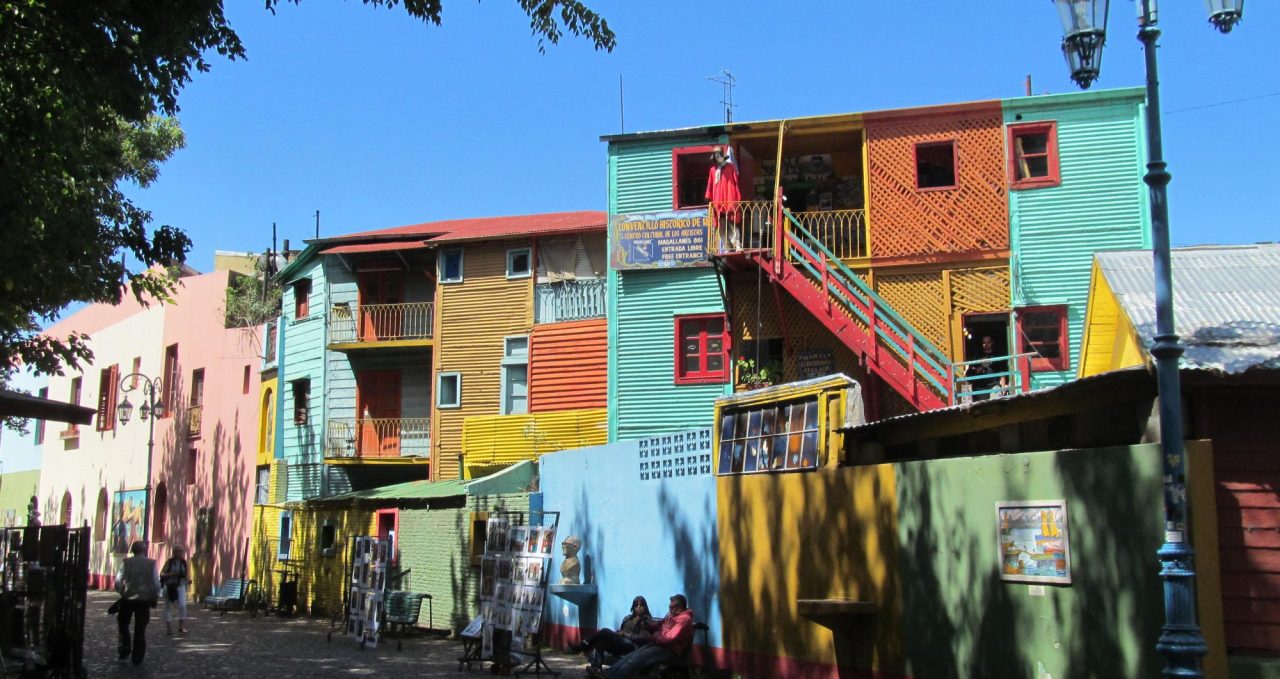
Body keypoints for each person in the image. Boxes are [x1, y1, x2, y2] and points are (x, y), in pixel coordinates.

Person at [588, 594, 695, 679]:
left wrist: (656, 634)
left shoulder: (684, 619)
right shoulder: (671, 615)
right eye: (669, 607)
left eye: (671, 607)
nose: (669, 610)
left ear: (680, 607)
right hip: (658, 645)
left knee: (636, 660)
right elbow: (660, 624)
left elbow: (669, 639)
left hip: (670, 650)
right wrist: (651, 626)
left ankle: (612, 677)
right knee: (632, 656)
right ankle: (607, 673)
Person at [570, 596, 653, 668]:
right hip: (621, 643)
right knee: (600, 642)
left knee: (605, 631)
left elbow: (643, 637)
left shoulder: (647, 621)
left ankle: (583, 645)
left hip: (632, 646)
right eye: (636, 605)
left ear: (645, 607)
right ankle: (596, 668)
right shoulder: (628, 618)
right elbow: (621, 630)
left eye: (641, 605)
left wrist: (625, 634)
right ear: (633, 607)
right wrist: (618, 633)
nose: (638, 607)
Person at [115, 540, 161, 665]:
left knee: (123, 623)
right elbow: (156, 582)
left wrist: (121, 592)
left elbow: (118, 580)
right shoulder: (151, 564)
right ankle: (137, 656)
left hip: (128, 598)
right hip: (143, 600)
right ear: (144, 550)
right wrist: (156, 595)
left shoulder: (127, 562)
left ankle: (124, 648)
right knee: (140, 628)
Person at [160, 546, 190, 635]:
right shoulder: (169, 562)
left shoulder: (184, 562)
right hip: (169, 586)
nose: (181, 553)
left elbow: (186, 574)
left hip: (180, 586)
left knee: (183, 605)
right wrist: (171, 574)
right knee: (168, 607)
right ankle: (169, 629)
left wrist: (188, 580)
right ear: (174, 552)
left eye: (182, 552)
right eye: (179, 552)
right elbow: (162, 574)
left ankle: (181, 626)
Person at [967, 335, 1007, 402]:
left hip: (994, 386)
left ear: (992, 343)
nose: (986, 344)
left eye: (988, 342)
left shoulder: (997, 355)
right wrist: (976, 370)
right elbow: (969, 372)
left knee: (995, 406)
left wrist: (1003, 387)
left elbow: (1002, 372)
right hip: (980, 388)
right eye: (984, 342)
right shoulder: (977, 356)